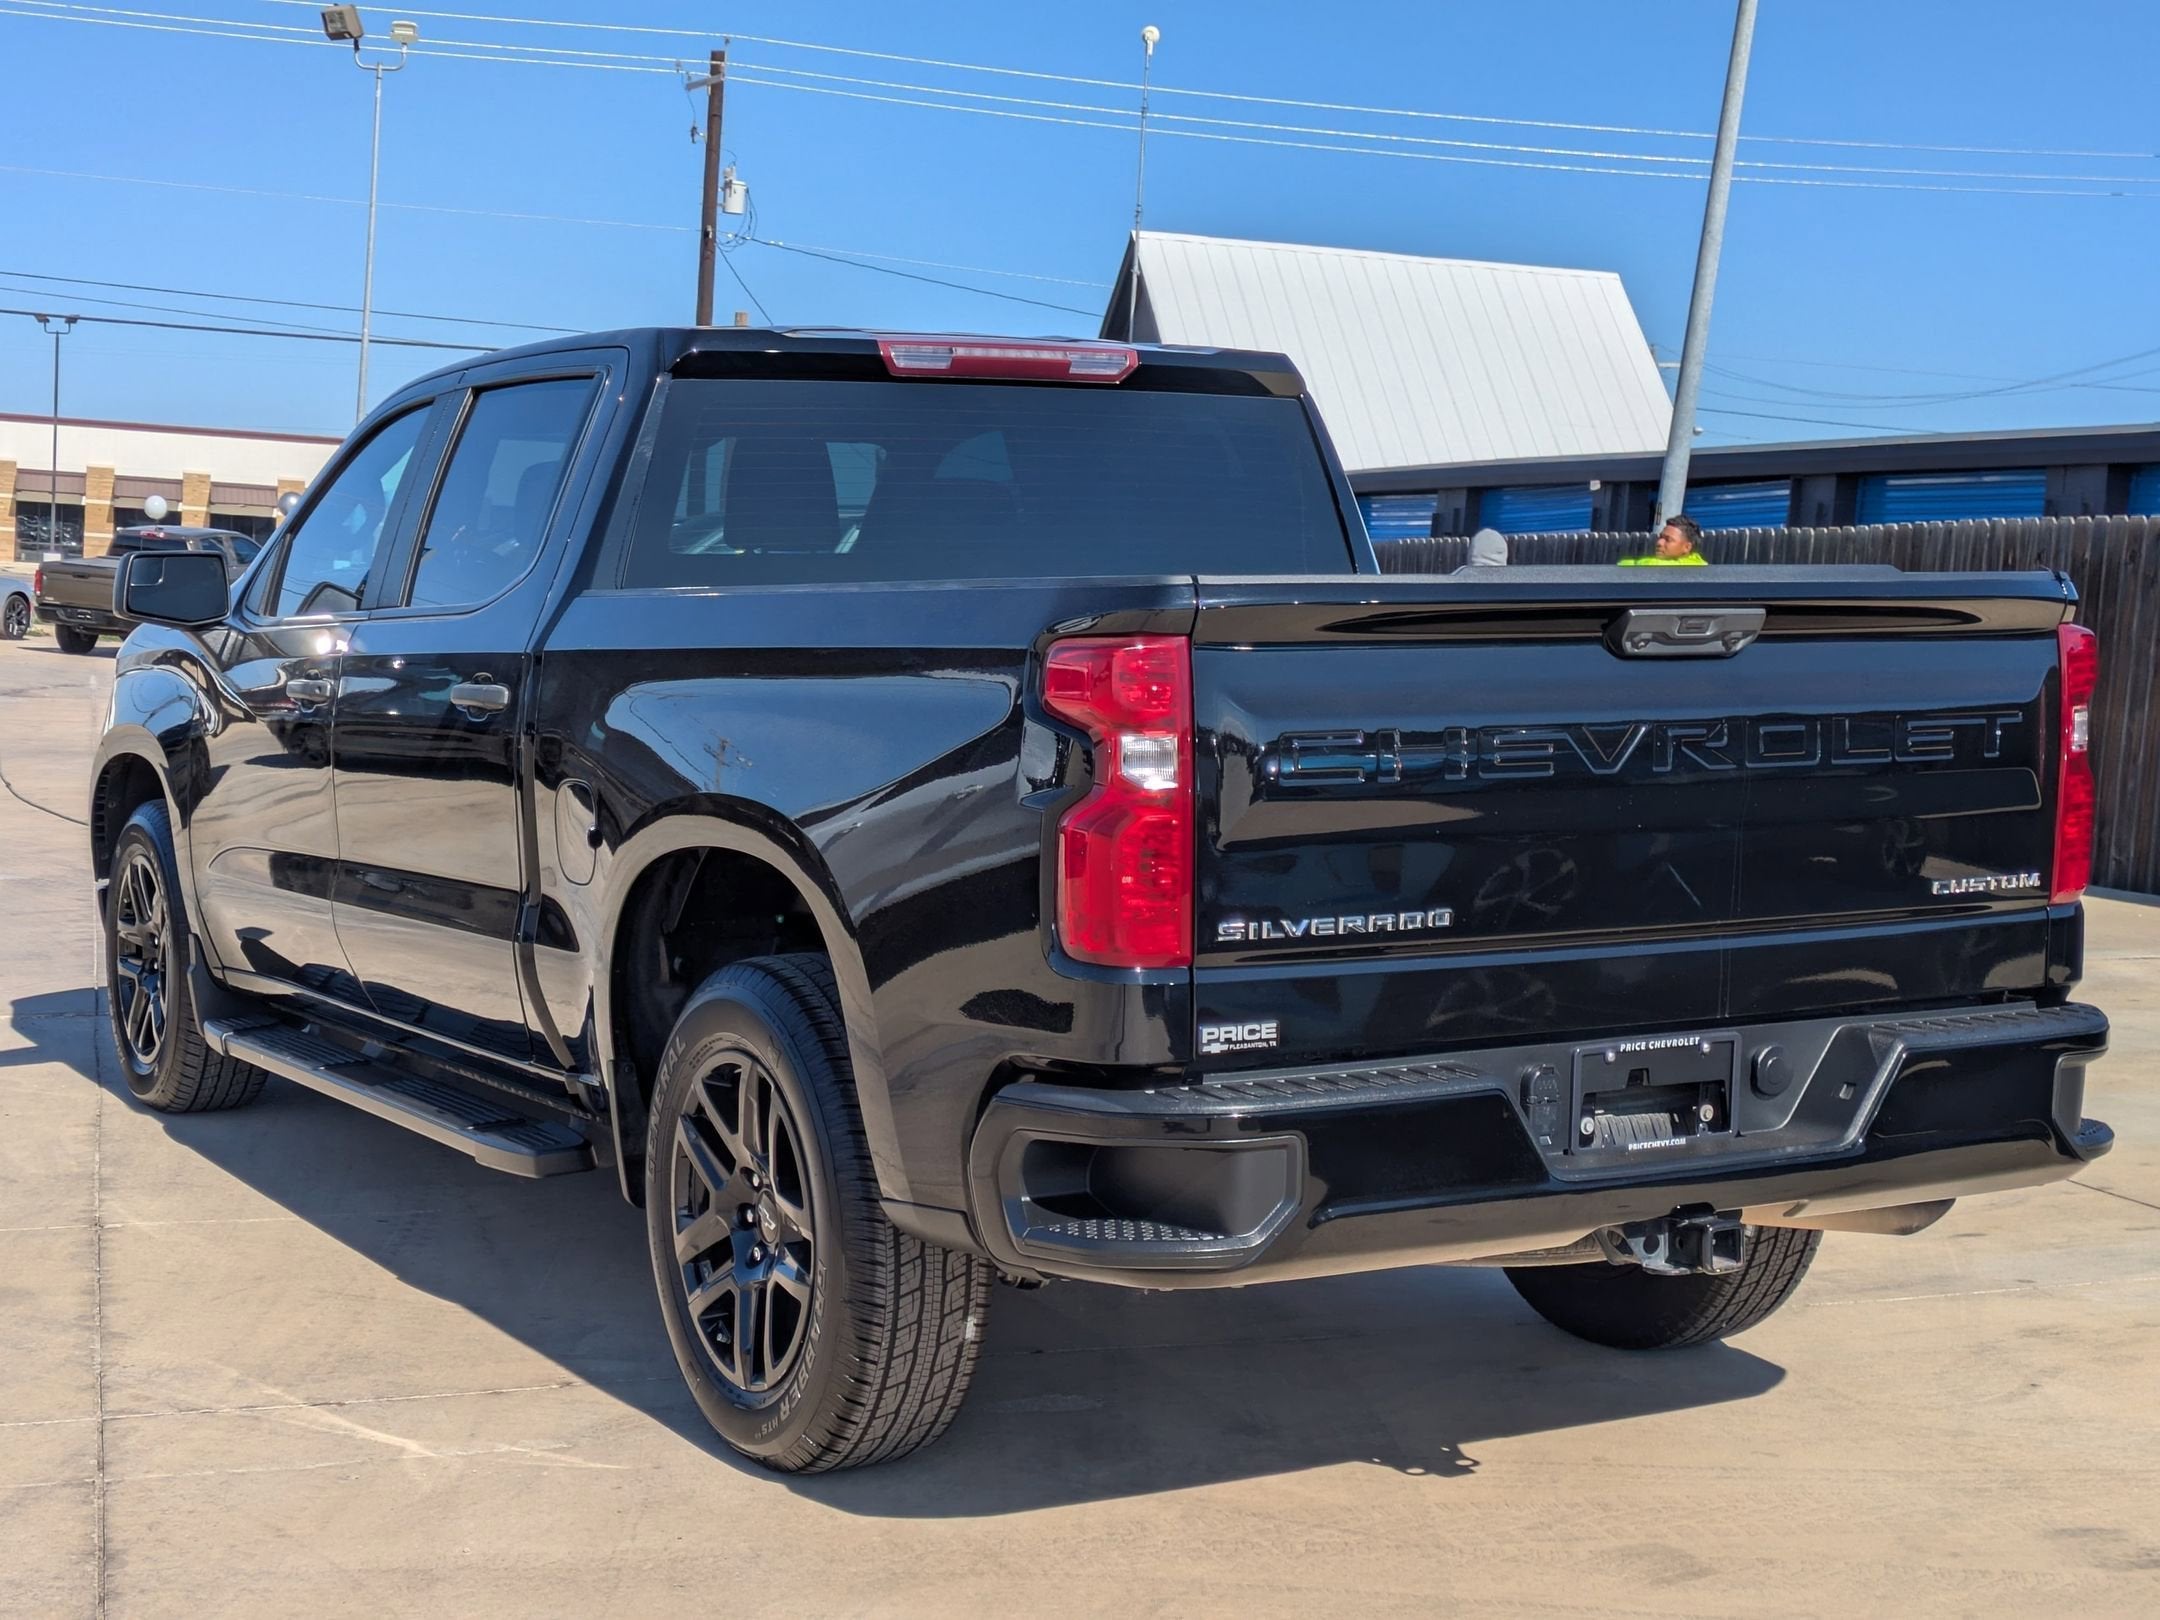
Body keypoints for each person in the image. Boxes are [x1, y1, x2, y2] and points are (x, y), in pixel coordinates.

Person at [1621, 513, 1708, 566]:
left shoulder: (1694, 568)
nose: (1659, 542)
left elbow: (1651, 564)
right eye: (1660, 537)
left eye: (1668, 539)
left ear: (1687, 547)